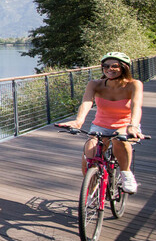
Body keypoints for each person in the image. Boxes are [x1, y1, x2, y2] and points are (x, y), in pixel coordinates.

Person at [58, 51, 143, 193]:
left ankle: (126, 174)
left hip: (125, 125)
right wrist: (79, 121)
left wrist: (133, 125)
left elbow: (136, 106)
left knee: (118, 139)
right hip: (100, 125)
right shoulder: (95, 84)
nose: (109, 69)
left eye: (114, 66)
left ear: (124, 67)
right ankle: (90, 194)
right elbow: (86, 102)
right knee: (89, 154)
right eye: (106, 66)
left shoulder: (134, 84)